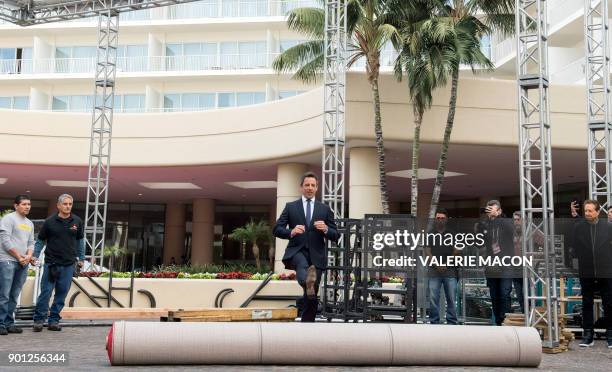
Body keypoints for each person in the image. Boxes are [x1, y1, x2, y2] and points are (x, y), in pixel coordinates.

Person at [273, 172, 339, 322]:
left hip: (317, 255)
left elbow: (336, 235)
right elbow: (276, 229)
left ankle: (307, 324)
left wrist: (326, 229)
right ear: (301, 187)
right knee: (303, 267)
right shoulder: (291, 207)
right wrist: (292, 231)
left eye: (313, 185)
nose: (310, 188)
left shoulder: (324, 209)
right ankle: (307, 281)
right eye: (307, 185)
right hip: (297, 250)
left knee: (311, 295)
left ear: (317, 188)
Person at [32, 194, 84, 332]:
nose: (68, 206)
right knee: (46, 292)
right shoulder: (49, 222)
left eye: (70, 204)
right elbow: (40, 241)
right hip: (51, 264)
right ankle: (38, 319)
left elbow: (80, 241)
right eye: (65, 204)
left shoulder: (77, 221)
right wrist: (35, 256)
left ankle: (54, 320)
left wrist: (82, 258)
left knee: (61, 293)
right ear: (59, 205)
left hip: (68, 264)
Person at [571, 200, 612, 348]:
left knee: (609, 303)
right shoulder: (578, 227)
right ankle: (588, 335)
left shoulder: (608, 227)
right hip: (586, 270)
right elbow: (573, 248)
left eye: (590, 211)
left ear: (597, 212)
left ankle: (610, 334)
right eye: (585, 210)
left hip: (606, 270)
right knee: (586, 302)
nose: (587, 213)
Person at [0, 195, 35, 336]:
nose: (27, 206)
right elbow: (5, 240)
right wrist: (19, 256)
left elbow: (31, 242)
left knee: (14, 295)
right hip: (7, 260)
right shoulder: (8, 219)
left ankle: (9, 323)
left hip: (23, 262)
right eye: (24, 204)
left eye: (29, 204)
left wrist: (29, 255)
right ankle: (1, 324)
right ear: (16, 206)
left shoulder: (30, 223)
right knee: (4, 294)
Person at [479, 200, 514, 326]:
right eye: (489, 210)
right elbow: (479, 243)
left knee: (504, 293)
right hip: (491, 265)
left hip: (506, 264)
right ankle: (499, 323)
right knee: (494, 295)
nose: (490, 212)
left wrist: (497, 218)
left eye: (492, 209)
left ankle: (506, 322)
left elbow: (511, 231)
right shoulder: (486, 225)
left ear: (499, 211)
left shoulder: (506, 222)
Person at [425, 208, 459, 324]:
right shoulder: (430, 234)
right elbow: (427, 251)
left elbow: (457, 250)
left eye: (442, 218)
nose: (440, 220)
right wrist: (437, 264)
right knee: (433, 298)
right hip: (434, 271)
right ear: (435, 220)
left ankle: (452, 322)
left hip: (450, 270)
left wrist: (446, 263)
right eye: (438, 218)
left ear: (446, 219)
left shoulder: (452, 233)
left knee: (451, 298)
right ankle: (434, 322)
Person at [511, 211, 545, 314]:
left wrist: (534, 259)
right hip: (516, 269)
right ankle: (525, 315)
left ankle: (531, 317)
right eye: (514, 220)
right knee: (520, 296)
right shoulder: (512, 233)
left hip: (529, 270)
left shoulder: (533, 232)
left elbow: (545, 245)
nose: (516, 222)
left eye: (518, 219)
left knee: (529, 295)